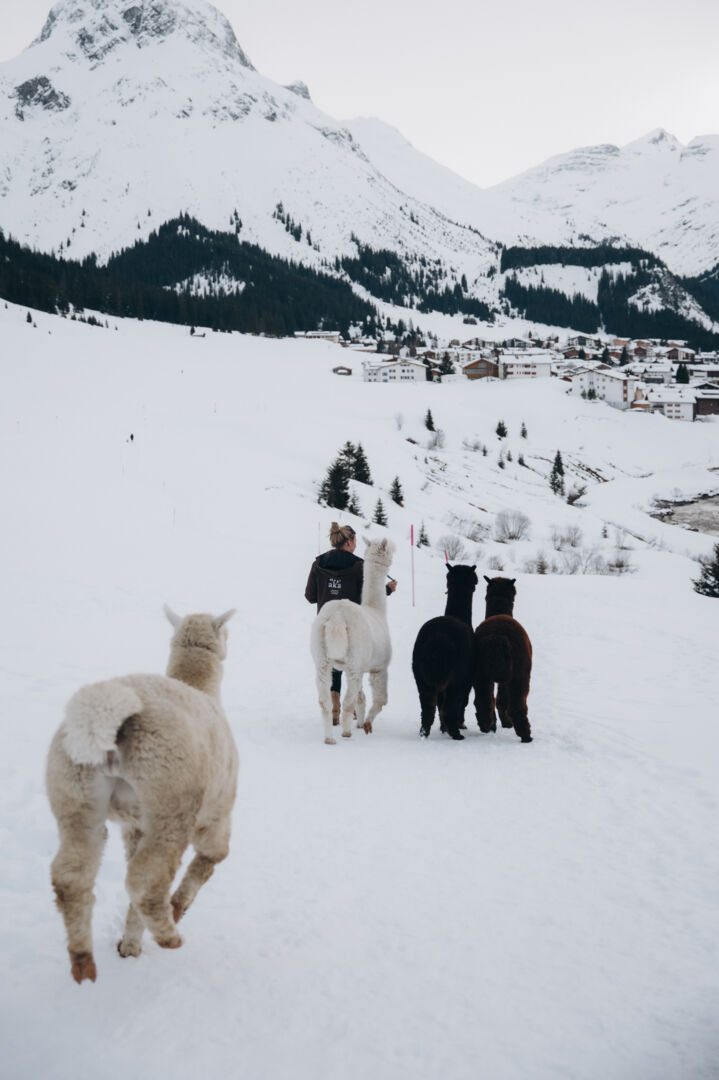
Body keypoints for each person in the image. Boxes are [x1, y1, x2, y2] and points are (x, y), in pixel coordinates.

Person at [305, 522, 397, 725]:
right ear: (349, 541)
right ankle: (353, 706)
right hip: (352, 624)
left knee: (331, 664)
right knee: (352, 664)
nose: (356, 544)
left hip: (325, 622)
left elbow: (310, 596)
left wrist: (327, 591)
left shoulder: (318, 563)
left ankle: (334, 708)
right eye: (355, 540)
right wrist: (388, 589)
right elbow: (368, 597)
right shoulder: (359, 566)